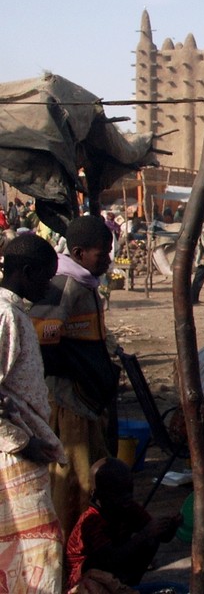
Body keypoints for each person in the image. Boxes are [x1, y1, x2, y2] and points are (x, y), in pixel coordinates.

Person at [29, 215, 120, 535]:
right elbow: (44, 344)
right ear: (79, 253)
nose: (108, 259)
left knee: (93, 474)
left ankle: (90, 540)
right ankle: (73, 546)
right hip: (70, 402)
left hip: (86, 400)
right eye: (102, 253)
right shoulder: (63, 286)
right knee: (76, 480)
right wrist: (83, 372)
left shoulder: (85, 282)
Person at [0, 234, 66, 592]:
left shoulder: (14, 312)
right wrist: (23, 443)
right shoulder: (5, 315)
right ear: (27, 272)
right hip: (14, 457)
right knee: (37, 554)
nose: (50, 285)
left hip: (23, 448)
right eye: (46, 276)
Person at [64, 457, 181, 589]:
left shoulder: (128, 506)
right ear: (97, 494)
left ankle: (129, 586)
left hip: (115, 565)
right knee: (95, 564)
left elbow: (160, 536)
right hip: (86, 580)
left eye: (129, 491)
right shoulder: (92, 520)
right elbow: (109, 559)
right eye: (119, 493)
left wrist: (171, 526)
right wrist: (145, 533)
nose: (127, 497)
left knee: (151, 539)